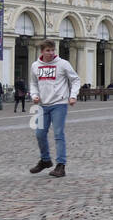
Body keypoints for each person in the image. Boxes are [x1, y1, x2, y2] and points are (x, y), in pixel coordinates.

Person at [29, 38, 81, 178]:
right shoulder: (35, 66)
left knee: (58, 134)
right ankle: (45, 160)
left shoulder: (63, 64)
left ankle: (61, 165)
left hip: (59, 104)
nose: (51, 53)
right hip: (41, 105)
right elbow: (33, 83)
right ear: (42, 51)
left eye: (52, 50)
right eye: (48, 50)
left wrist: (73, 95)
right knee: (39, 134)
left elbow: (75, 79)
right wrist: (34, 95)